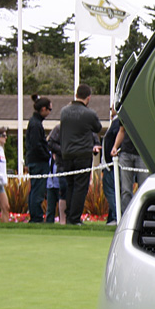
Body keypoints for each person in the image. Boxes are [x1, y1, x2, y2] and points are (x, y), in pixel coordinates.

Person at [59, 83, 102, 226]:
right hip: (82, 153)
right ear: (88, 98)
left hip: (66, 154)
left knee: (70, 184)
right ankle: (74, 218)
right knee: (80, 187)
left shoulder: (64, 111)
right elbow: (98, 127)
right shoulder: (89, 114)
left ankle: (70, 215)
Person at [25, 95, 53, 222]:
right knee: (38, 190)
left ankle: (35, 215)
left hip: (35, 160)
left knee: (36, 189)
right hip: (38, 162)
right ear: (43, 109)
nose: (49, 112)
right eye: (49, 109)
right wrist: (46, 155)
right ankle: (36, 217)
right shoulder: (36, 124)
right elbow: (36, 145)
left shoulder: (35, 123)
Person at [111, 119, 146, 214]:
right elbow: (122, 130)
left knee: (143, 187)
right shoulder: (126, 110)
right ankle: (126, 216)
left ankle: (141, 215)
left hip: (143, 153)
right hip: (126, 153)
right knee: (125, 189)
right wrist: (115, 147)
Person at [101, 116, 121, 225]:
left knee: (111, 191)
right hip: (110, 165)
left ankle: (116, 216)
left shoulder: (118, 122)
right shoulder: (115, 122)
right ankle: (112, 217)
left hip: (112, 165)